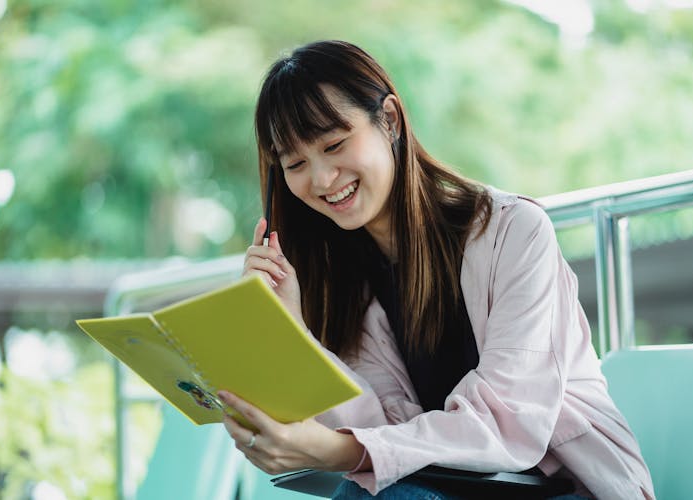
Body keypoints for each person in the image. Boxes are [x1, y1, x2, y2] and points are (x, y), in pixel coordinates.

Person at [218, 40, 655, 500]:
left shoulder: (516, 233)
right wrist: (290, 333)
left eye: (335, 144)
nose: (322, 178)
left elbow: (510, 424)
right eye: (296, 163)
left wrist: (342, 452)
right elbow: (385, 437)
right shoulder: (344, 279)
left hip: (566, 485)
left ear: (388, 120)